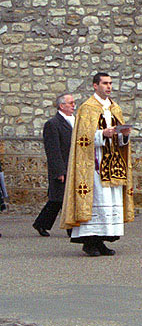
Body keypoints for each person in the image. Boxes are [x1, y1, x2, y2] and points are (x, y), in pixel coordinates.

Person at [61, 73, 133, 257]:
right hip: (94, 163)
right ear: (95, 85)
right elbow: (81, 138)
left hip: (113, 164)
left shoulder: (115, 107)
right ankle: (90, 242)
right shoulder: (87, 108)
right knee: (96, 201)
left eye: (110, 83)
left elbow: (121, 139)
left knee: (109, 200)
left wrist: (123, 135)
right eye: (104, 83)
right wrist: (102, 135)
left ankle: (101, 241)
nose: (108, 86)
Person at [33, 93, 76, 237]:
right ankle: (71, 228)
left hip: (73, 166)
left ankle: (41, 223)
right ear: (61, 106)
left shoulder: (74, 121)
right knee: (60, 199)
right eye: (70, 103)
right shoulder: (53, 124)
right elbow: (53, 150)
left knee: (60, 200)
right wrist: (59, 171)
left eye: (73, 103)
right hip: (61, 167)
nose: (73, 105)